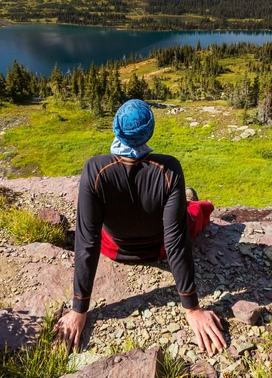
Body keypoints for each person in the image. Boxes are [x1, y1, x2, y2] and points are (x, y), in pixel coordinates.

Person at [55, 99, 227, 355]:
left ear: (116, 129)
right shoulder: (169, 169)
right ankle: (191, 201)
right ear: (150, 131)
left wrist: (78, 310)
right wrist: (192, 309)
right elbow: (176, 241)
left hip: (113, 249)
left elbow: (87, 240)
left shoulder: (94, 168)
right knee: (197, 211)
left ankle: (186, 200)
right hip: (159, 249)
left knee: (92, 221)